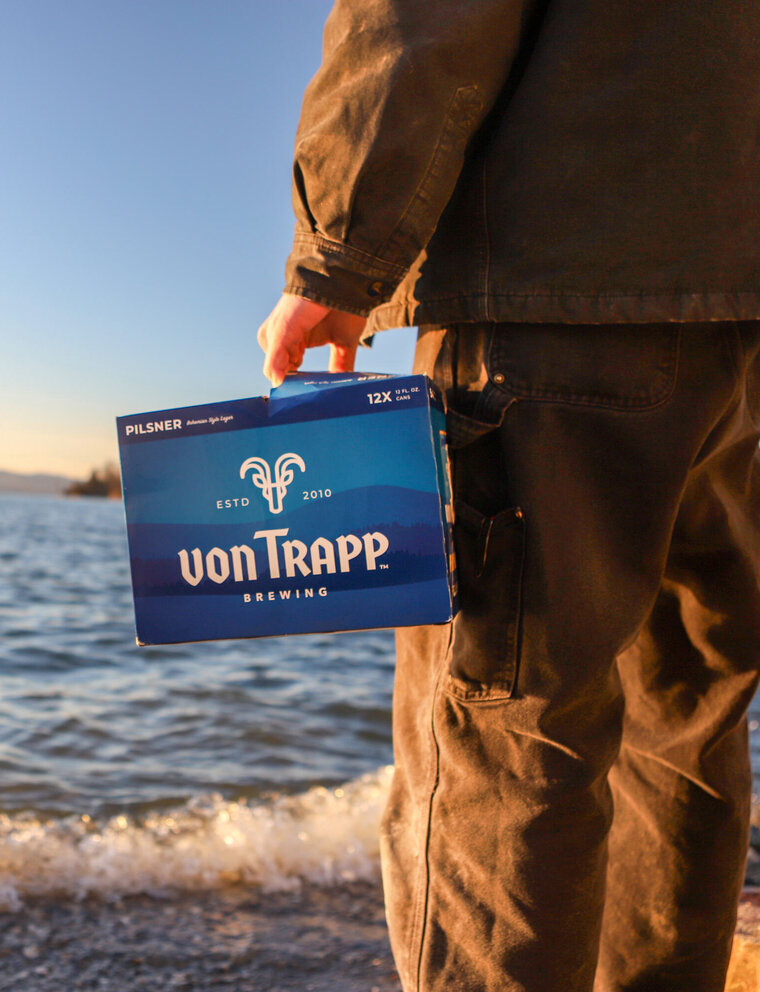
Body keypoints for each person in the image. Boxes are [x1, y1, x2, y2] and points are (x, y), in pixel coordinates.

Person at [256, 1, 760, 990]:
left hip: (549, 298)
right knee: (685, 726)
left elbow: (415, 17)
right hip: (739, 327)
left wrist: (338, 254)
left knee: (506, 733)